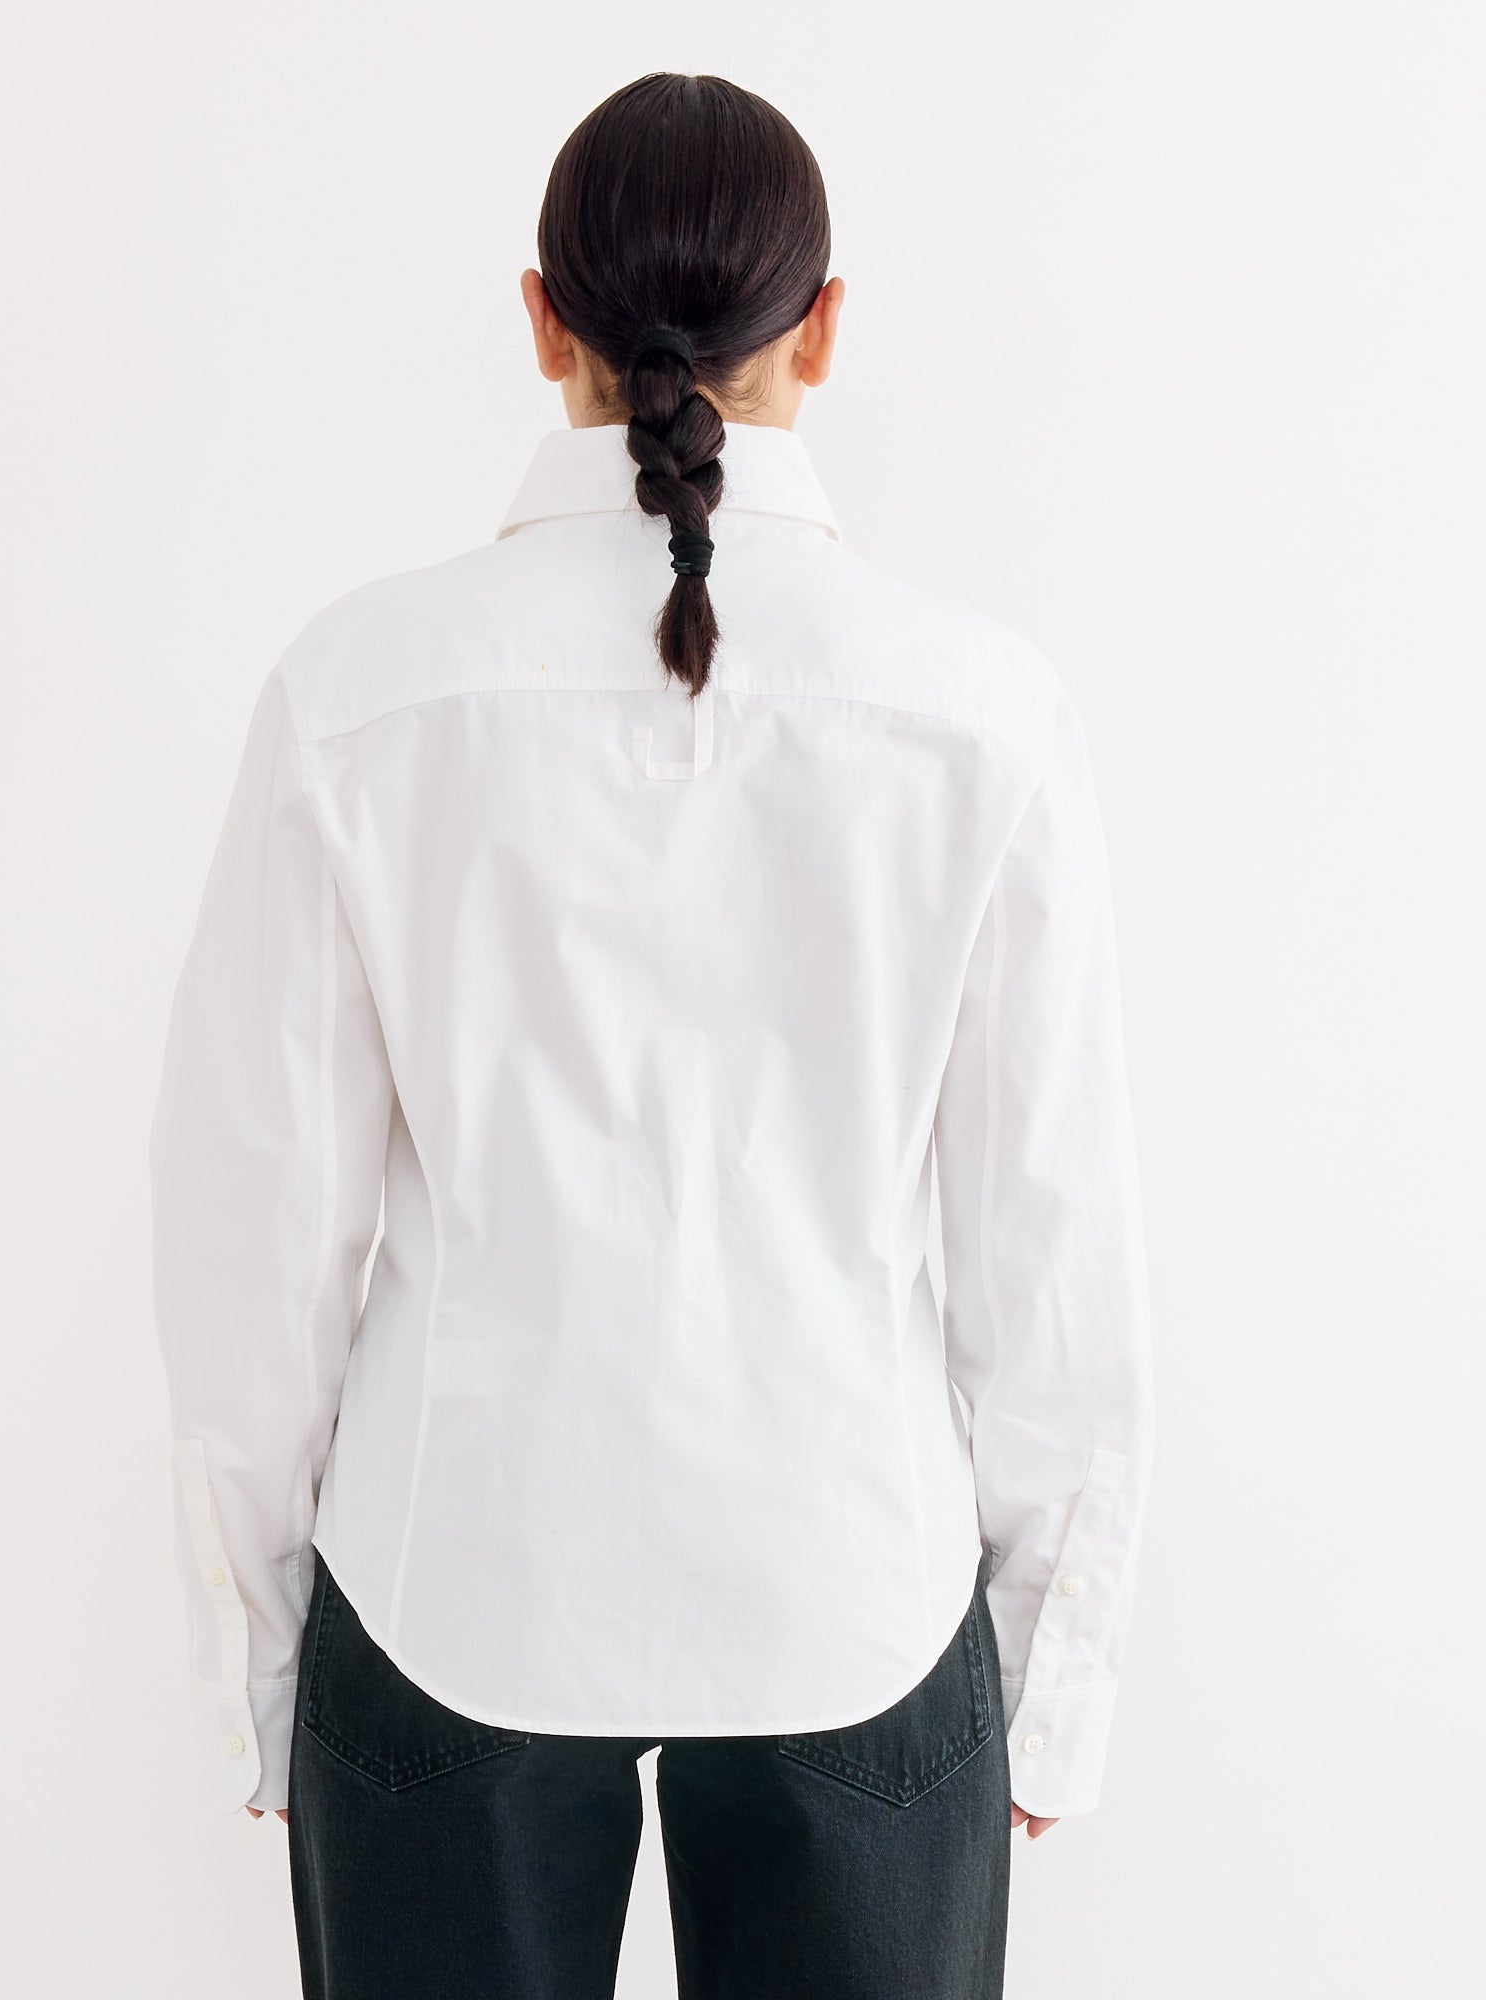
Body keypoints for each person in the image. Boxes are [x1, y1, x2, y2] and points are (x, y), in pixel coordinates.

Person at [149, 70, 1154, 2000]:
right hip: (855, 1585)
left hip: (455, 1582)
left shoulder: (359, 691)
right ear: (828, 327)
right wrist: (1060, 1679)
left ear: (543, 321)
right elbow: (1055, 1252)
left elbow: (254, 1242)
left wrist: (256, 1668)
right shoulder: (984, 712)